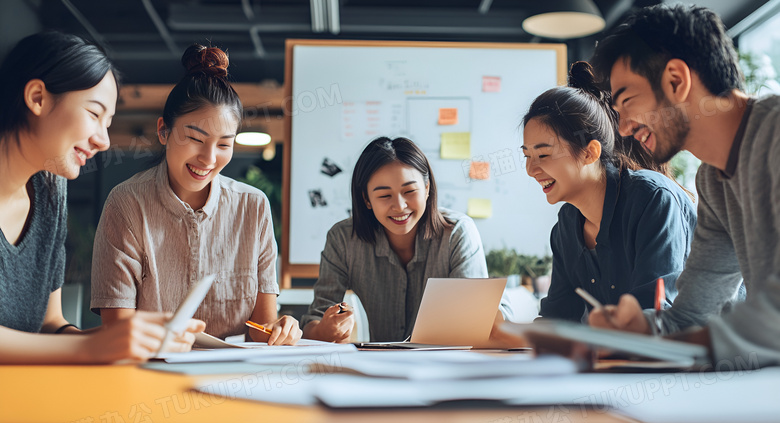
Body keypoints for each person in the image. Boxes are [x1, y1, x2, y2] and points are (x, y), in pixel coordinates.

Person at [588, 4, 780, 367]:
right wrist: (638, 329)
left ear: (677, 80)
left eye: (627, 101)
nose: (624, 128)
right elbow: (691, 316)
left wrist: (670, 344)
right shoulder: (713, 181)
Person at [0, 31, 204, 364]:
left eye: (108, 123)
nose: (104, 141)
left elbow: (49, 326)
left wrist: (131, 337)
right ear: (38, 97)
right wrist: (88, 348)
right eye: (94, 115)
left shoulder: (49, 191)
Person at [90, 44, 301, 345]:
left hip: (230, 377)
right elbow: (118, 332)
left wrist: (281, 329)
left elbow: (260, 328)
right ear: (164, 131)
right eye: (194, 138)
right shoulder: (126, 204)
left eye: (224, 145)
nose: (208, 158)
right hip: (151, 375)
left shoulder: (252, 207)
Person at [522, 62, 696, 323]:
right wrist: (508, 333)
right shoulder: (566, 227)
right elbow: (557, 319)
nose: (531, 169)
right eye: (527, 156)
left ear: (590, 152)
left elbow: (653, 315)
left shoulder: (652, 199)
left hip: (712, 354)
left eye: (543, 154)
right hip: (626, 358)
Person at [301, 136, 512, 343]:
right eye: (384, 196)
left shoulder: (457, 233)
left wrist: (487, 314)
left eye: (410, 191)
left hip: (446, 366)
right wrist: (325, 331)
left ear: (427, 188)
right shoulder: (343, 239)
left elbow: (480, 323)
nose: (400, 206)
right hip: (379, 369)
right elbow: (315, 320)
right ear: (366, 199)